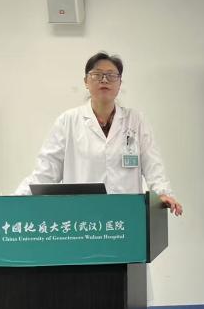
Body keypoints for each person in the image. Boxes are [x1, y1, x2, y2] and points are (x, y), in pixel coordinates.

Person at [15, 52, 183, 215]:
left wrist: (162, 192)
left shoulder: (135, 120)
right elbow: (46, 170)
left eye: (111, 75)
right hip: (82, 216)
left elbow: (152, 164)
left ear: (119, 83)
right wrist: (15, 200)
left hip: (127, 215)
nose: (104, 80)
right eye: (97, 75)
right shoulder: (68, 121)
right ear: (86, 82)